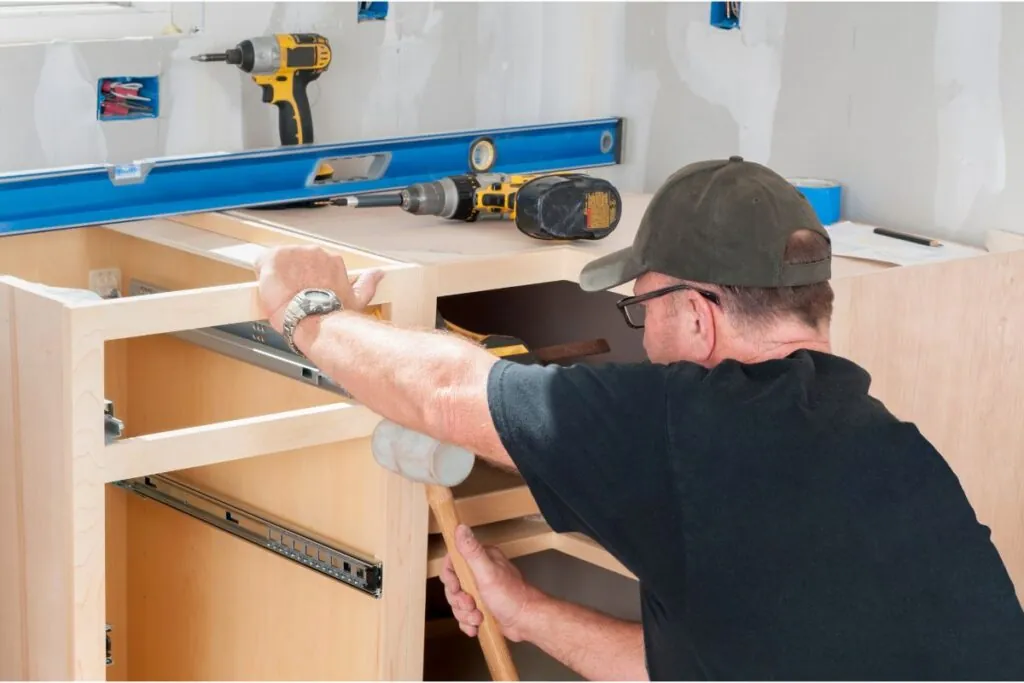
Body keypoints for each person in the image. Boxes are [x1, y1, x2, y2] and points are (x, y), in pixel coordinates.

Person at [252, 157, 1024, 680]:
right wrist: (527, 613)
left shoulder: (686, 424)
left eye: (640, 307)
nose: (640, 336)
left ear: (696, 314)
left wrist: (309, 313)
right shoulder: (897, 455)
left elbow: (448, 390)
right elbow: (712, 661)